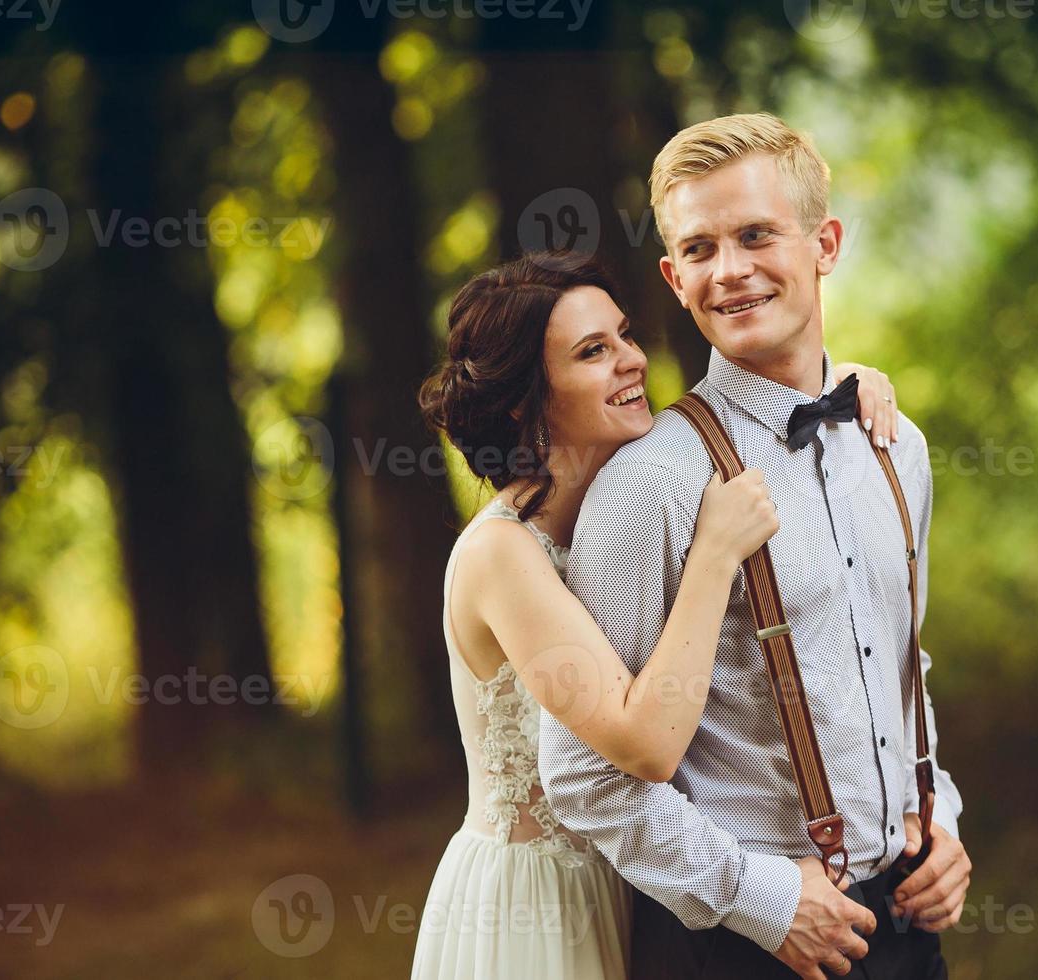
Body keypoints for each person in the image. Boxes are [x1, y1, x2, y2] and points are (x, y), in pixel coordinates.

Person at [538, 112, 971, 980]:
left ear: (826, 243)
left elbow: (897, 661)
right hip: (735, 948)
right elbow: (586, 775)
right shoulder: (652, 481)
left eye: (755, 235)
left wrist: (942, 817)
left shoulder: (898, 448)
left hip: (909, 928)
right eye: (699, 249)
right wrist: (761, 903)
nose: (728, 271)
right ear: (672, 275)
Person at [411, 252, 901, 979]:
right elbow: (648, 744)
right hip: (545, 905)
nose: (630, 362)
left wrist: (836, 383)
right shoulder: (502, 556)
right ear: (522, 398)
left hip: (649, 883)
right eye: (592, 352)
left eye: (624, 335)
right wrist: (713, 556)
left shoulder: (622, 510)